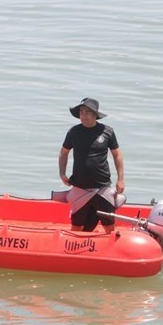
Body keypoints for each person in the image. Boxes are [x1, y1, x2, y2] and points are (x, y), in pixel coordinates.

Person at [58, 97, 125, 233]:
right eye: (81, 112)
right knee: (77, 226)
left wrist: (120, 179)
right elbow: (64, 153)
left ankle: (111, 250)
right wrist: (62, 173)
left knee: (109, 225)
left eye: (88, 112)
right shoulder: (74, 132)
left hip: (102, 186)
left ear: (95, 115)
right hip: (79, 187)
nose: (84, 115)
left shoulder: (107, 131)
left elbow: (117, 154)